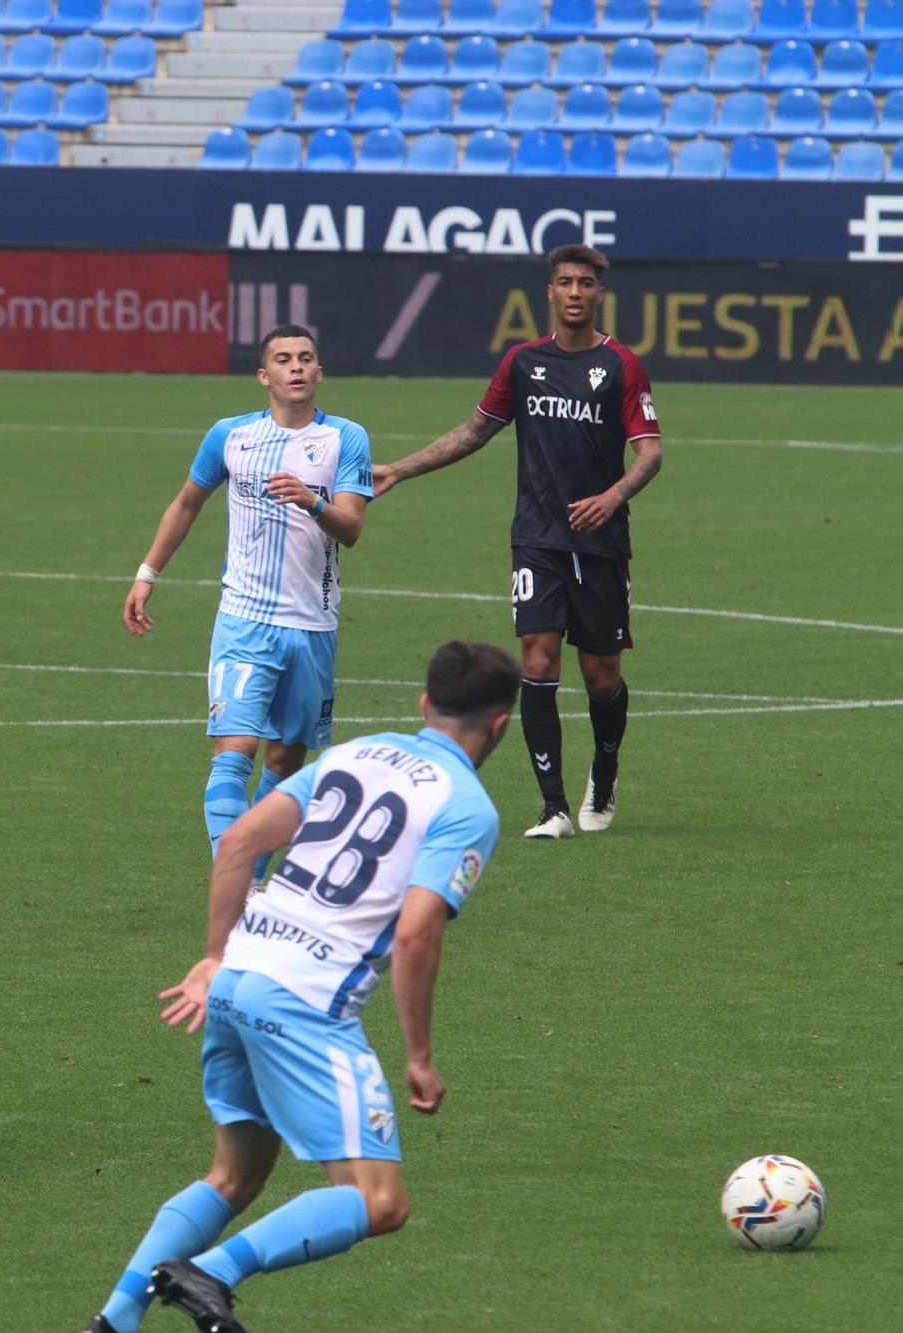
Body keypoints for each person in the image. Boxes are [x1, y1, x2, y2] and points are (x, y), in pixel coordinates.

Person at [83, 641, 518, 1333]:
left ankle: (112, 1321)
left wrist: (213, 956)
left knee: (235, 1175)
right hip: (306, 1003)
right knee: (380, 1201)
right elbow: (416, 932)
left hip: (236, 981)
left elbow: (238, 843)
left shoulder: (356, 752)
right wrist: (419, 1054)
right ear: (500, 725)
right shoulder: (467, 807)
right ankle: (211, 1273)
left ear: (424, 704)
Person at [372, 244, 662, 840]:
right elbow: (476, 429)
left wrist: (614, 496)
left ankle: (604, 770)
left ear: (599, 295)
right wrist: (400, 469)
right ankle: (552, 807)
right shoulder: (523, 363)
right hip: (536, 537)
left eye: (586, 282)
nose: (576, 291)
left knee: (601, 672)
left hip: (601, 540)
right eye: (565, 282)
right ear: (550, 292)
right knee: (537, 658)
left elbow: (650, 452)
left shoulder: (621, 366)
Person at [123, 325, 373, 888]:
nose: (297, 368)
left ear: (319, 372)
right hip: (244, 621)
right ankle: (234, 887)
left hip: (313, 627)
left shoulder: (346, 439)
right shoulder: (229, 436)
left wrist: (312, 502)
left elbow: (352, 528)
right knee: (232, 755)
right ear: (264, 376)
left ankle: (255, 878)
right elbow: (187, 503)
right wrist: (147, 574)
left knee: (285, 766)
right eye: (283, 360)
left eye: (307, 358)